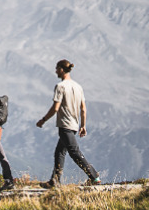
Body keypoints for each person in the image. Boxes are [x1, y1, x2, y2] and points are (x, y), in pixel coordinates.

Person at [35, 59, 102, 187]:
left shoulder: (60, 87)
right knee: (59, 152)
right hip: (74, 125)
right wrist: (83, 125)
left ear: (61, 69)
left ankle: (94, 177)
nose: (55, 71)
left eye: (56, 68)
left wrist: (42, 120)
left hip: (64, 125)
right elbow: (83, 108)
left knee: (74, 152)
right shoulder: (78, 87)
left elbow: (55, 108)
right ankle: (55, 180)